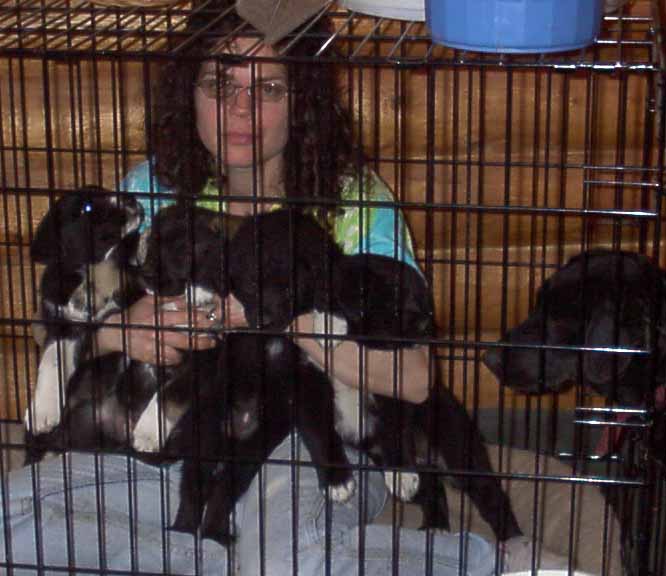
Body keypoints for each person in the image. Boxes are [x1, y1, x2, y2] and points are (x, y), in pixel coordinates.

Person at [0, 4, 547, 575]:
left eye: (268, 88)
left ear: (303, 102)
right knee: (15, 522)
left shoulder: (355, 205)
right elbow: (58, 330)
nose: (241, 108)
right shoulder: (146, 191)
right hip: (168, 437)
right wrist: (123, 330)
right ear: (190, 94)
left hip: (307, 440)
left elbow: (414, 380)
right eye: (219, 83)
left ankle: (499, 566)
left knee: (294, 560)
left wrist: (274, 310)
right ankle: (208, 554)